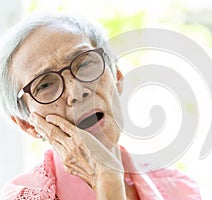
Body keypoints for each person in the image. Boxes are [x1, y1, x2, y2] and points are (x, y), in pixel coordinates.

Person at [0, 13, 201, 200]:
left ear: (117, 77)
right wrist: (107, 178)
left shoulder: (180, 190)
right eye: (45, 85)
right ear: (28, 125)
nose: (76, 92)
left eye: (85, 64)